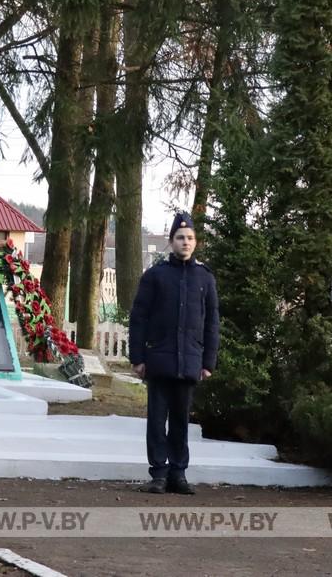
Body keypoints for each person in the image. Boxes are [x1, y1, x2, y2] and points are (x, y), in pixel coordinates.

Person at [128, 211, 219, 494]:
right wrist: (138, 358)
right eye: (180, 237)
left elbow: (211, 322)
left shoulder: (205, 279)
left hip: (189, 362)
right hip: (159, 361)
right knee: (157, 420)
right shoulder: (155, 276)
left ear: (196, 242)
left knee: (181, 420)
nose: (185, 242)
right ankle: (158, 474)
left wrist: (208, 362)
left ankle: (178, 474)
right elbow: (139, 318)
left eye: (190, 238)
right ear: (171, 241)